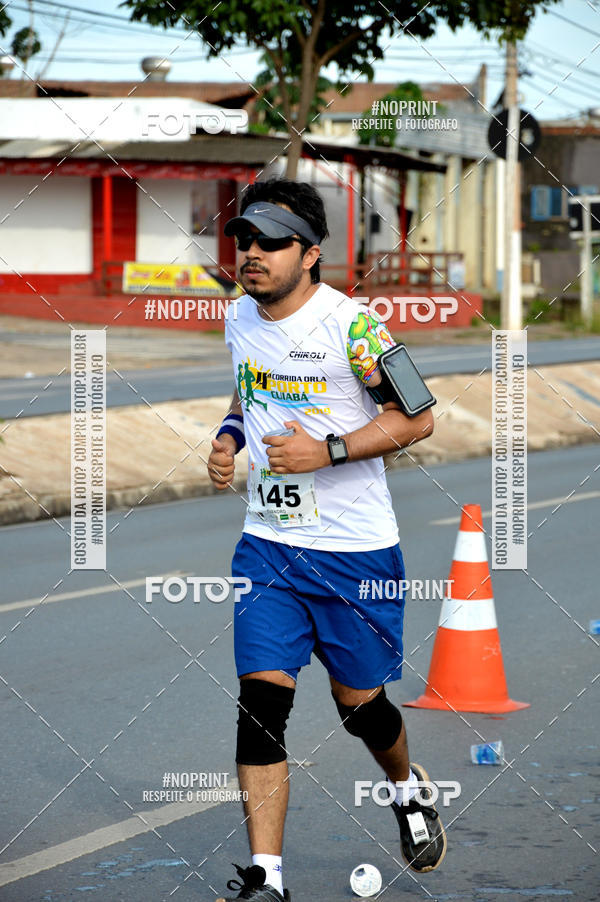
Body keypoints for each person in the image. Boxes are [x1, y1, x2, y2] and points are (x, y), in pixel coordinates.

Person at [207, 178, 446, 901]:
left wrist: (330, 450)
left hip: (355, 552)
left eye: (270, 242)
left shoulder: (357, 326)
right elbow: (249, 392)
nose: (251, 254)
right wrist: (226, 435)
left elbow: (419, 417)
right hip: (269, 544)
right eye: (243, 239)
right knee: (260, 704)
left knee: (359, 708)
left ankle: (407, 788)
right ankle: (266, 879)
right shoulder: (238, 318)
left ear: (310, 254)